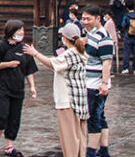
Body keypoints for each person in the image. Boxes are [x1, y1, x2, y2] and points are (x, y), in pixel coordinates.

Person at [24, 23, 89, 157]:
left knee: (69, 137)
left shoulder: (70, 53)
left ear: (65, 39)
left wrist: (35, 53)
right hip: (79, 99)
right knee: (79, 135)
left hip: (68, 100)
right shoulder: (81, 52)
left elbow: (53, 64)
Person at [0, 19, 37, 157]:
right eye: (18, 30)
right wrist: (8, 64)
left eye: (22, 30)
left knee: (14, 117)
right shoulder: (1, 46)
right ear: (11, 31)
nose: (21, 33)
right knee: (1, 116)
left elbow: (29, 69)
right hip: (1, 87)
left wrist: (32, 86)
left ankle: (10, 146)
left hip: (17, 88)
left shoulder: (24, 48)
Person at [82, 4, 115, 157]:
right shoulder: (89, 34)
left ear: (98, 19)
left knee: (93, 117)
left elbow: (106, 62)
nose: (85, 22)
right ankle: (104, 149)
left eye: (88, 19)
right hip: (88, 82)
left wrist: (104, 83)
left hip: (96, 85)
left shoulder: (104, 38)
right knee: (100, 116)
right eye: (83, 18)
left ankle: (90, 151)